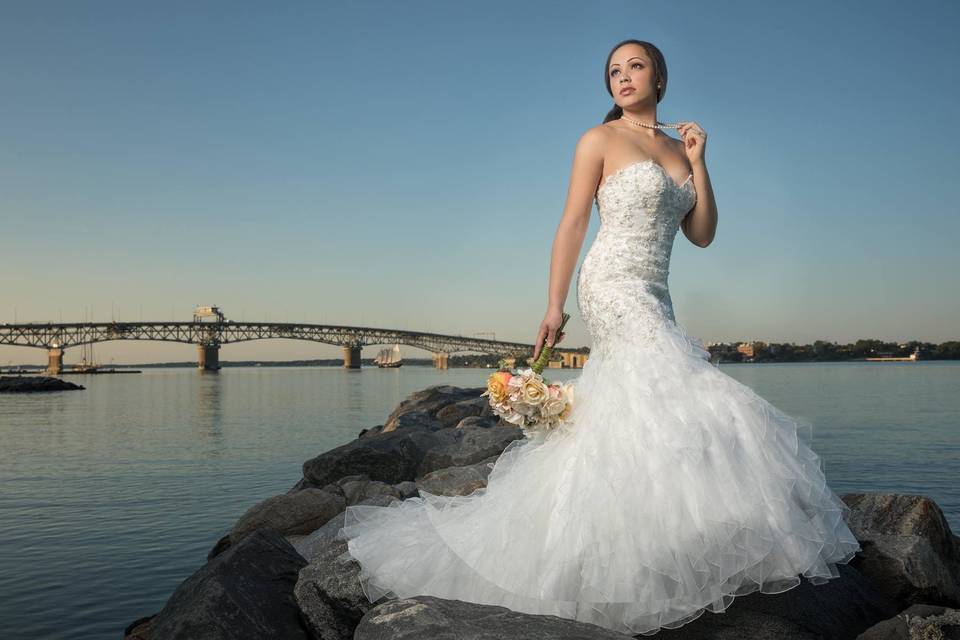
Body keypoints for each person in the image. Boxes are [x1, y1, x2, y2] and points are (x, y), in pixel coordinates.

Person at [337, 39, 861, 636]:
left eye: (635, 66)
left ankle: (645, 535)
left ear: (660, 77)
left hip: (656, 287)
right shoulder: (598, 139)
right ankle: (649, 544)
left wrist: (701, 160)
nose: (623, 77)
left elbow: (704, 234)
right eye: (614, 71)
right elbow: (573, 221)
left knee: (636, 399)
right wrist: (554, 304)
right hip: (611, 282)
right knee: (679, 381)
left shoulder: (677, 146)